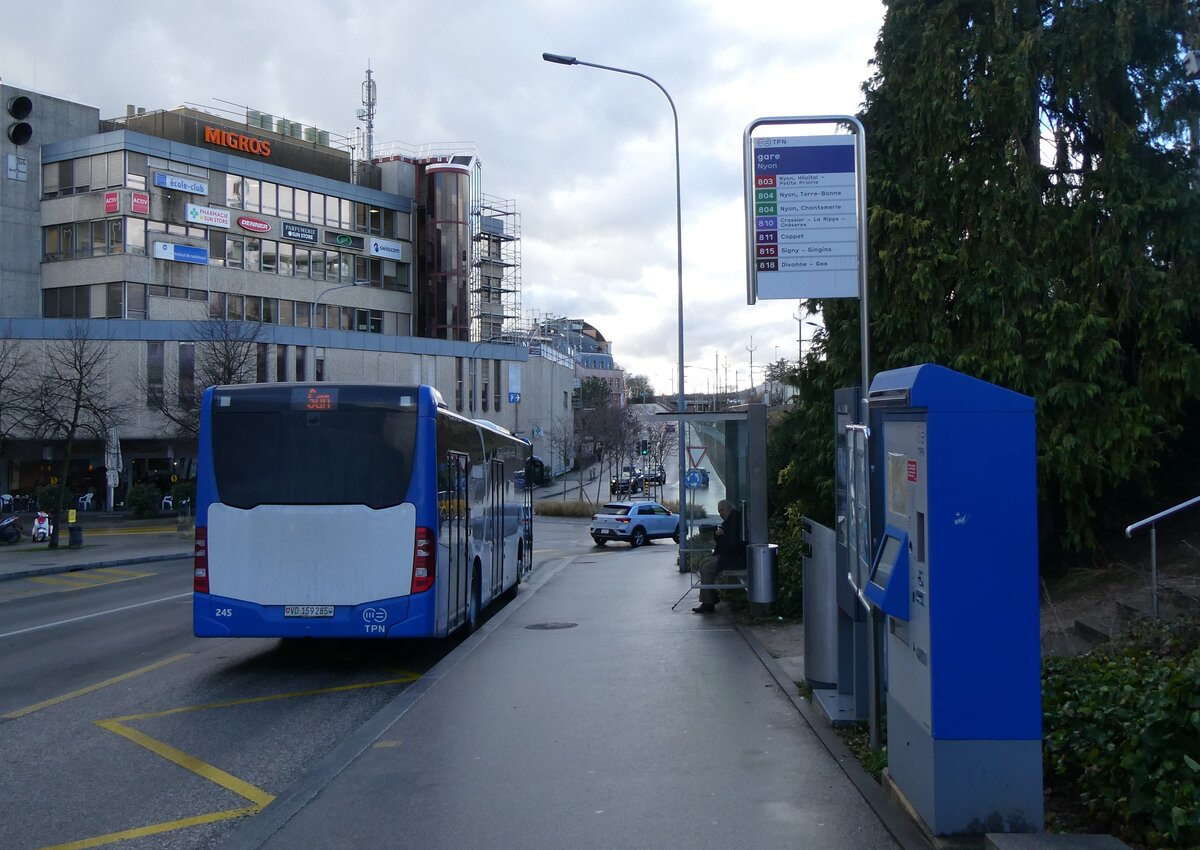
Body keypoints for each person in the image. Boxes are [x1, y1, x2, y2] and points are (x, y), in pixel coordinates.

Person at [694, 499, 744, 614]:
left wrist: (722, 534)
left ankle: (708, 602)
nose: (721, 514)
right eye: (719, 511)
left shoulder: (734, 520)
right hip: (728, 555)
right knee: (703, 563)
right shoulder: (730, 520)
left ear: (729, 508)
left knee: (706, 568)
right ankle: (709, 599)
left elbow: (732, 542)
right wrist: (718, 534)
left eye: (722, 510)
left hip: (733, 557)